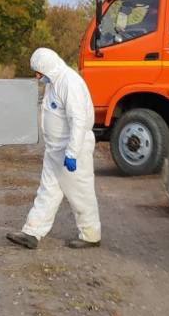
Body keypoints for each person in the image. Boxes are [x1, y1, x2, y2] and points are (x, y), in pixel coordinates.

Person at [6, 47, 102, 250]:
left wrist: (72, 153)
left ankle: (91, 234)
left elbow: (78, 120)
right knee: (48, 190)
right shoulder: (54, 82)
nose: (37, 76)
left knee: (80, 192)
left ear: (48, 68)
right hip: (55, 150)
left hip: (71, 149)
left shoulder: (70, 83)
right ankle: (32, 232)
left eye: (39, 73)